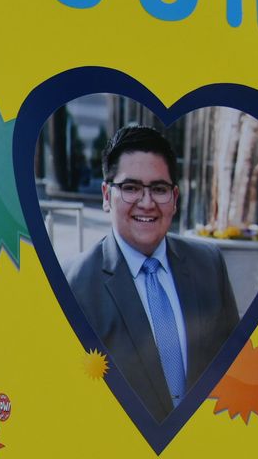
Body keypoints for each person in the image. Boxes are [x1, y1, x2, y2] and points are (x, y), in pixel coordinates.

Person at [64, 125, 240, 419]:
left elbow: (235, 368)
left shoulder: (209, 265)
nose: (146, 203)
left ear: (174, 198)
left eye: (158, 189)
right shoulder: (74, 285)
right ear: (107, 195)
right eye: (131, 188)